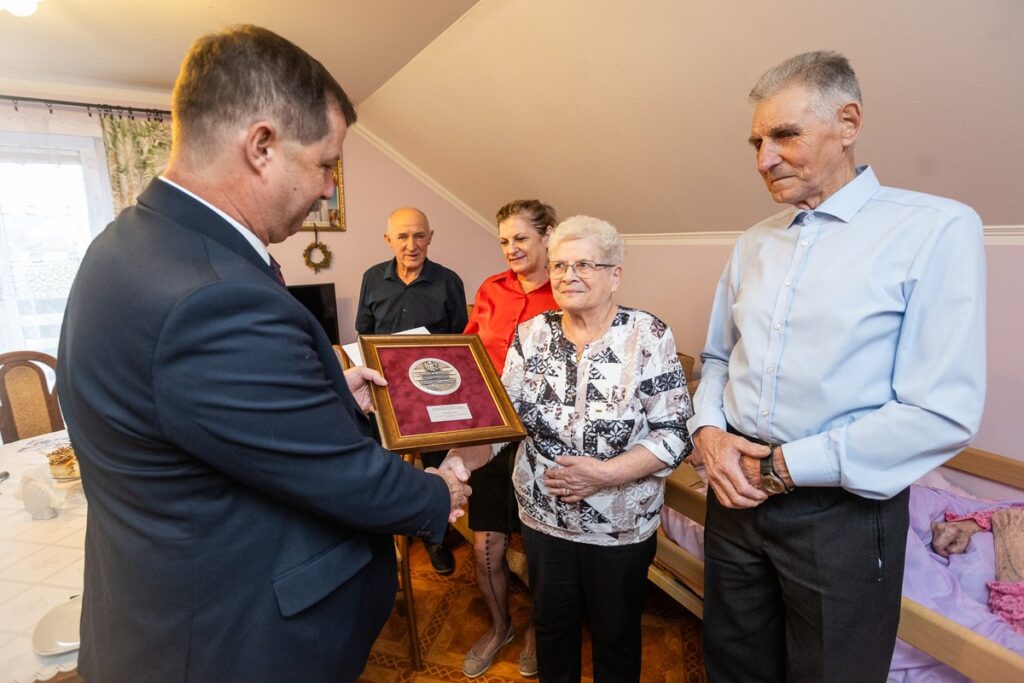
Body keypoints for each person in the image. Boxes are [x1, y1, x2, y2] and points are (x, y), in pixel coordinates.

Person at [55, 25, 471, 683]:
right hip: (229, 642)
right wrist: (434, 491)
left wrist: (326, 393)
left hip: (162, 612)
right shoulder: (212, 297)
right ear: (262, 146)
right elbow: (339, 474)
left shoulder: (129, 242)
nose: (329, 189)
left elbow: (215, 413)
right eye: (326, 164)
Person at [689, 51, 986, 682]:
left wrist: (784, 466)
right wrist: (709, 433)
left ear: (848, 123)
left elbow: (940, 411)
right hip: (734, 495)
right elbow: (718, 357)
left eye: (784, 135)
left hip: (840, 512)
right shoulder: (754, 241)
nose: (764, 159)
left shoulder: (934, 229)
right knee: (733, 664)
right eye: (756, 142)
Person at [500, 215, 693, 682]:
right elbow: (503, 417)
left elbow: (675, 433)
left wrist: (602, 475)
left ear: (615, 275)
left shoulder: (648, 335)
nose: (569, 275)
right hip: (543, 517)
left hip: (620, 525)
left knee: (616, 634)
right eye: (560, 265)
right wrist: (453, 461)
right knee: (551, 627)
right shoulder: (531, 333)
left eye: (584, 264)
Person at [460, 199, 559, 678]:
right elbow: (468, 352)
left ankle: (541, 631)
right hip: (491, 432)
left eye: (520, 238)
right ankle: (500, 627)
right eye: (503, 240)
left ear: (547, 235)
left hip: (543, 440)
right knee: (487, 545)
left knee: (540, 550)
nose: (511, 249)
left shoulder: (567, 290)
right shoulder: (490, 289)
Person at [355, 206, 469, 574]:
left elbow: (460, 343)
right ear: (388, 239)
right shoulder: (372, 278)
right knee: (384, 466)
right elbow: (364, 333)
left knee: (436, 467)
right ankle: (385, 538)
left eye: (419, 235)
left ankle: (434, 538)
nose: (411, 244)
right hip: (384, 393)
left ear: (430, 237)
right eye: (402, 236)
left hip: (433, 395)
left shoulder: (448, 281)